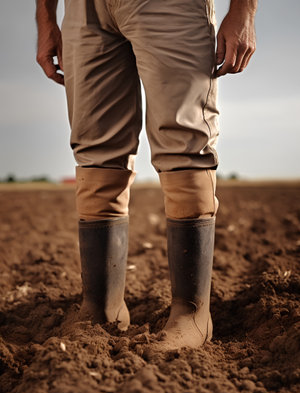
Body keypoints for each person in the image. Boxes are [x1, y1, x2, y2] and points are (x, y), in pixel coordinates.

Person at [35, 0, 257, 350]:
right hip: (83, 10)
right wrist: (45, 17)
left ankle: (192, 313)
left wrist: (244, 9)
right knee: (95, 147)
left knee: (183, 140)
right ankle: (102, 307)